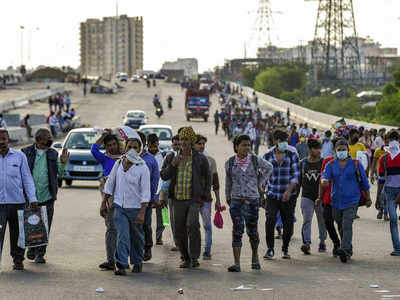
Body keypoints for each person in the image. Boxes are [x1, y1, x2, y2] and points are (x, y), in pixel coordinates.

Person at [160, 126, 211, 269]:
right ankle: (185, 257)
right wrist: (172, 165)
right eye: (182, 139)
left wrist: (205, 197)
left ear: (192, 141)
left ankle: (194, 257)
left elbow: (207, 178)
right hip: (176, 200)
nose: (184, 142)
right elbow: (163, 175)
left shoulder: (200, 159)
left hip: (194, 200)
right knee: (179, 230)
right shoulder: (171, 157)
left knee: (193, 225)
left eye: (187, 139)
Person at [21, 128, 69, 264]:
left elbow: (60, 173)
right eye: (47, 137)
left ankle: (40, 254)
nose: (50, 139)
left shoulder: (53, 153)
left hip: (47, 195)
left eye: (50, 137)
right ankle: (32, 248)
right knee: (31, 224)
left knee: (45, 225)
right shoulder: (26, 152)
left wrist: (63, 163)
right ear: (38, 140)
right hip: (29, 196)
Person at [225, 135, 272, 272]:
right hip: (236, 202)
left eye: (248, 145)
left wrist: (259, 183)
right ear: (236, 147)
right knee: (237, 231)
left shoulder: (255, 160)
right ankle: (237, 263)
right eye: (243, 145)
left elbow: (269, 168)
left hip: (252, 201)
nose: (246, 148)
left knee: (253, 231)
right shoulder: (230, 162)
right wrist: (228, 197)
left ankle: (255, 258)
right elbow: (228, 182)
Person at [320, 139, 372, 263]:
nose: (341, 152)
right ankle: (348, 248)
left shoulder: (355, 164)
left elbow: (364, 182)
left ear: (348, 150)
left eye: (344, 150)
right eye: (339, 150)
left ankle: (345, 250)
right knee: (340, 225)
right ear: (335, 151)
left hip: (352, 199)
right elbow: (324, 177)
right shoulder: (331, 164)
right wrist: (324, 182)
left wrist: (369, 198)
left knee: (347, 224)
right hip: (336, 200)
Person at [104, 149, 151, 275]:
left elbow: (146, 192)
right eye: (128, 162)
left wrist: (142, 213)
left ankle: (137, 261)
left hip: (136, 208)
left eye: (131, 163)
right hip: (119, 206)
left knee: (137, 237)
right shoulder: (118, 164)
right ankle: (122, 265)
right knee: (122, 236)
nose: (129, 165)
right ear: (124, 158)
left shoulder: (143, 168)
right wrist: (104, 202)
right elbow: (110, 182)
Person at [0, 129, 38, 271]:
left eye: (3, 139)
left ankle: (18, 260)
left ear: (8, 140)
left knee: (18, 234)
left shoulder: (19, 156)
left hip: (17, 203)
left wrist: (32, 198)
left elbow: (27, 179)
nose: (1, 142)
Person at [263, 129, 300, 260]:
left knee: (288, 222)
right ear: (275, 141)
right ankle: (270, 249)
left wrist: (289, 191)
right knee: (270, 219)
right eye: (281, 141)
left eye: (286, 141)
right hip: (272, 194)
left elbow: (296, 175)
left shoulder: (292, 155)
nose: (284, 143)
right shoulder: (267, 156)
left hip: (288, 195)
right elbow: (262, 176)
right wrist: (262, 192)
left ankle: (285, 248)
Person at [92, 129, 123, 271]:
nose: (112, 147)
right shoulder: (105, 158)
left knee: (123, 229)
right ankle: (111, 260)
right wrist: (103, 135)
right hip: (109, 197)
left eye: (114, 144)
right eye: (109, 145)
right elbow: (94, 149)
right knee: (111, 228)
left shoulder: (126, 158)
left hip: (125, 197)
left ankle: (124, 259)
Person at [193, 134, 222, 260]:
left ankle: (207, 250)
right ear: (193, 145)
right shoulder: (189, 159)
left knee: (207, 225)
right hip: (192, 199)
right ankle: (191, 252)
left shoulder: (211, 160)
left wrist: (218, 201)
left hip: (206, 199)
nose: (201, 146)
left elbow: (215, 183)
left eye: (203, 144)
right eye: (199, 143)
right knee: (192, 226)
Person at [299, 139, 327, 255]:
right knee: (307, 220)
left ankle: (322, 241)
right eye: (315, 148)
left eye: (319, 148)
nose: (318, 151)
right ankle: (307, 243)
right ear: (309, 149)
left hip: (321, 197)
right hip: (306, 196)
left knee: (322, 221)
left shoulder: (324, 162)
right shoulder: (303, 163)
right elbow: (299, 180)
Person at [376, 130, 400, 256]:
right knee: (393, 220)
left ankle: (397, 248)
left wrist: (377, 198)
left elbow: (381, 180)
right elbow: (381, 179)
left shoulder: (384, 158)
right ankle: (397, 248)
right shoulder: (384, 158)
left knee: (394, 220)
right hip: (392, 190)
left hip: (392, 191)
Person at [137, 132, 160, 262]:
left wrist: (154, 197)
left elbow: (155, 180)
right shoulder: (126, 158)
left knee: (145, 225)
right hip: (130, 200)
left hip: (146, 200)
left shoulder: (151, 159)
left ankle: (147, 248)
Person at [159, 135, 181, 251]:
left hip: (184, 192)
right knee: (172, 219)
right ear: (172, 145)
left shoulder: (188, 157)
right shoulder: (169, 157)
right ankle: (177, 242)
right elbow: (163, 175)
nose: (177, 146)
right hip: (171, 192)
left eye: (179, 144)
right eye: (175, 144)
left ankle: (184, 243)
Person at [146, 133, 166, 246]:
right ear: (147, 144)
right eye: (151, 146)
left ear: (158, 144)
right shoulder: (143, 156)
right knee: (146, 218)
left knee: (162, 215)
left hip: (160, 190)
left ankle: (159, 237)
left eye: (155, 146)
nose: (153, 148)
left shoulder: (162, 155)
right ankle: (147, 239)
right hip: (147, 191)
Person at [371, 134, 389, 220]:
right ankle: (380, 210)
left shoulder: (394, 150)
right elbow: (374, 163)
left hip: (391, 176)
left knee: (388, 194)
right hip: (381, 175)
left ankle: (386, 213)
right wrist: (371, 174)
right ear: (384, 141)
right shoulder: (378, 151)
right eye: (386, 141)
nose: (388, 143)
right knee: (380, 194)